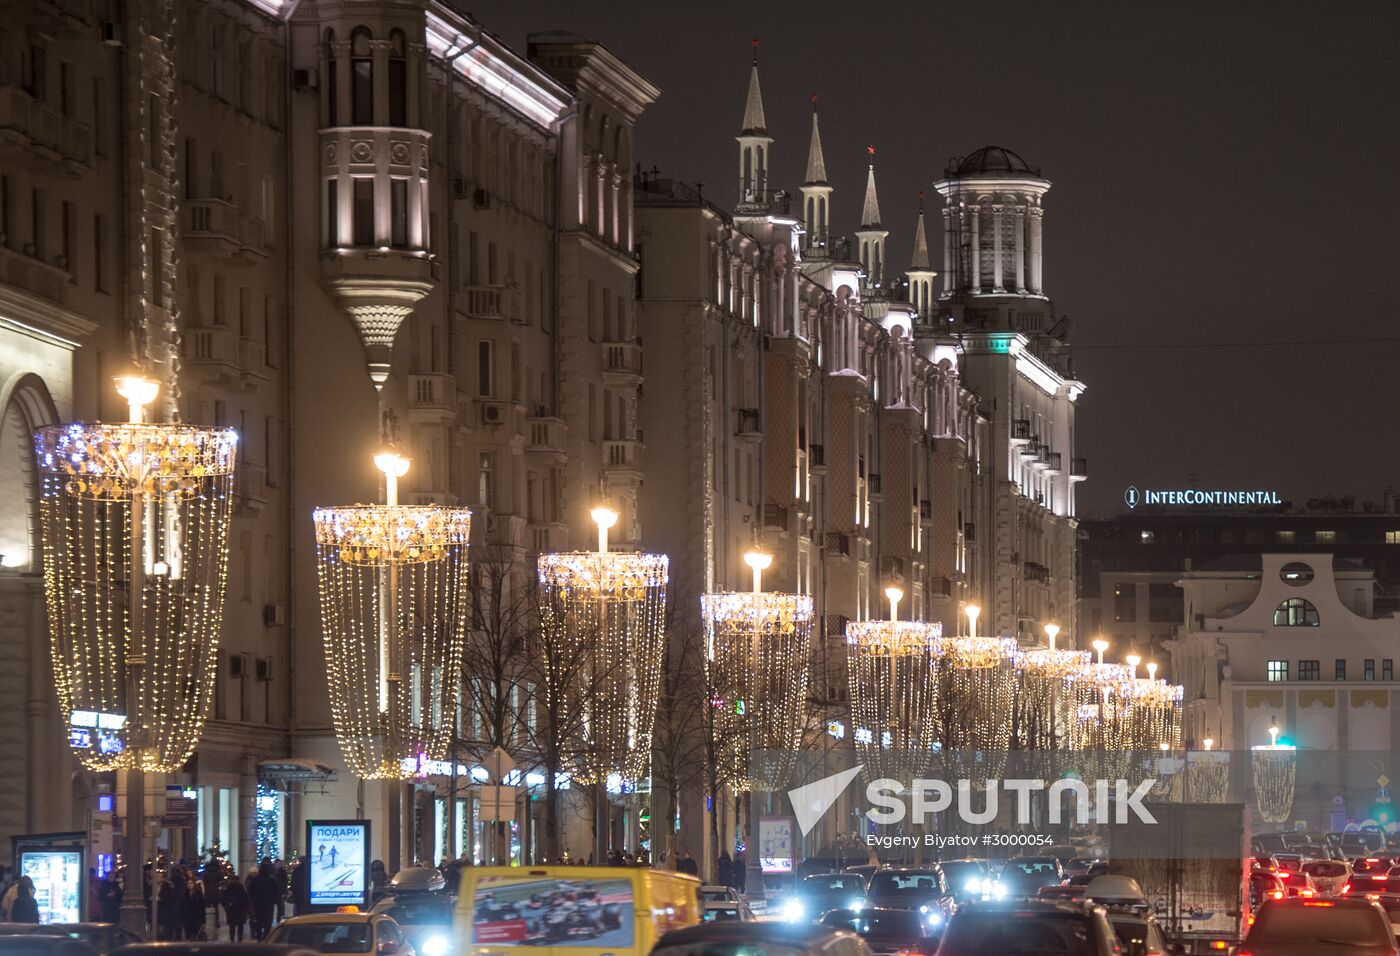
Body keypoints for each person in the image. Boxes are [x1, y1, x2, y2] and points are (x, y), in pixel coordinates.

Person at [248, 861, 280, 941]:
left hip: (258, 905)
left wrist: (254, 900)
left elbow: (250, 891)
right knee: (267, 923)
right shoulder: (272, 880)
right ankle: (266, 938)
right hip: (269, 905)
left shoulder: (255, 881)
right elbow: (277, 891)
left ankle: (259, 938)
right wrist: (274, 900)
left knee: (259, 922)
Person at [221, 874, 250, 942]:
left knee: (232, 926)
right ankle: (239, 940)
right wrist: (244, 908)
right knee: (240, 926)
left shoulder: (227, 889)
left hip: (231, 910)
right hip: (240, 910)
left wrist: (226, 907)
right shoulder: (242, 889)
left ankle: (232, 939)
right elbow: (247, 901)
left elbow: (222, 900)